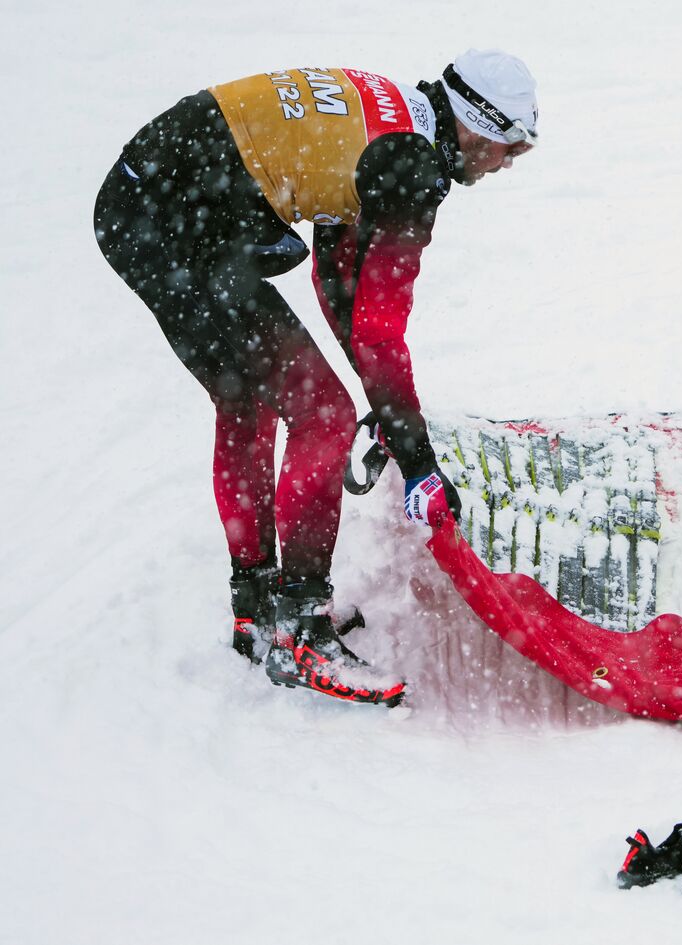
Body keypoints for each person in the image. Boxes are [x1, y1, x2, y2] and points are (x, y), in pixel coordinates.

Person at [94, 50, 540, 705]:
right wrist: (418, 462)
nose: (505, 167)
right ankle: (301, 629)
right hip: (177, 220)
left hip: (148, 205)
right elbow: (382, 331)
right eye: (509, 149)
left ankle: (257, 608)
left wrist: (385, 407)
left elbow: (337, 280)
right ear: (477, 125)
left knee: (248, 398)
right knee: (320, 414)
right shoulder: (411, 169)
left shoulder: (389, 127)